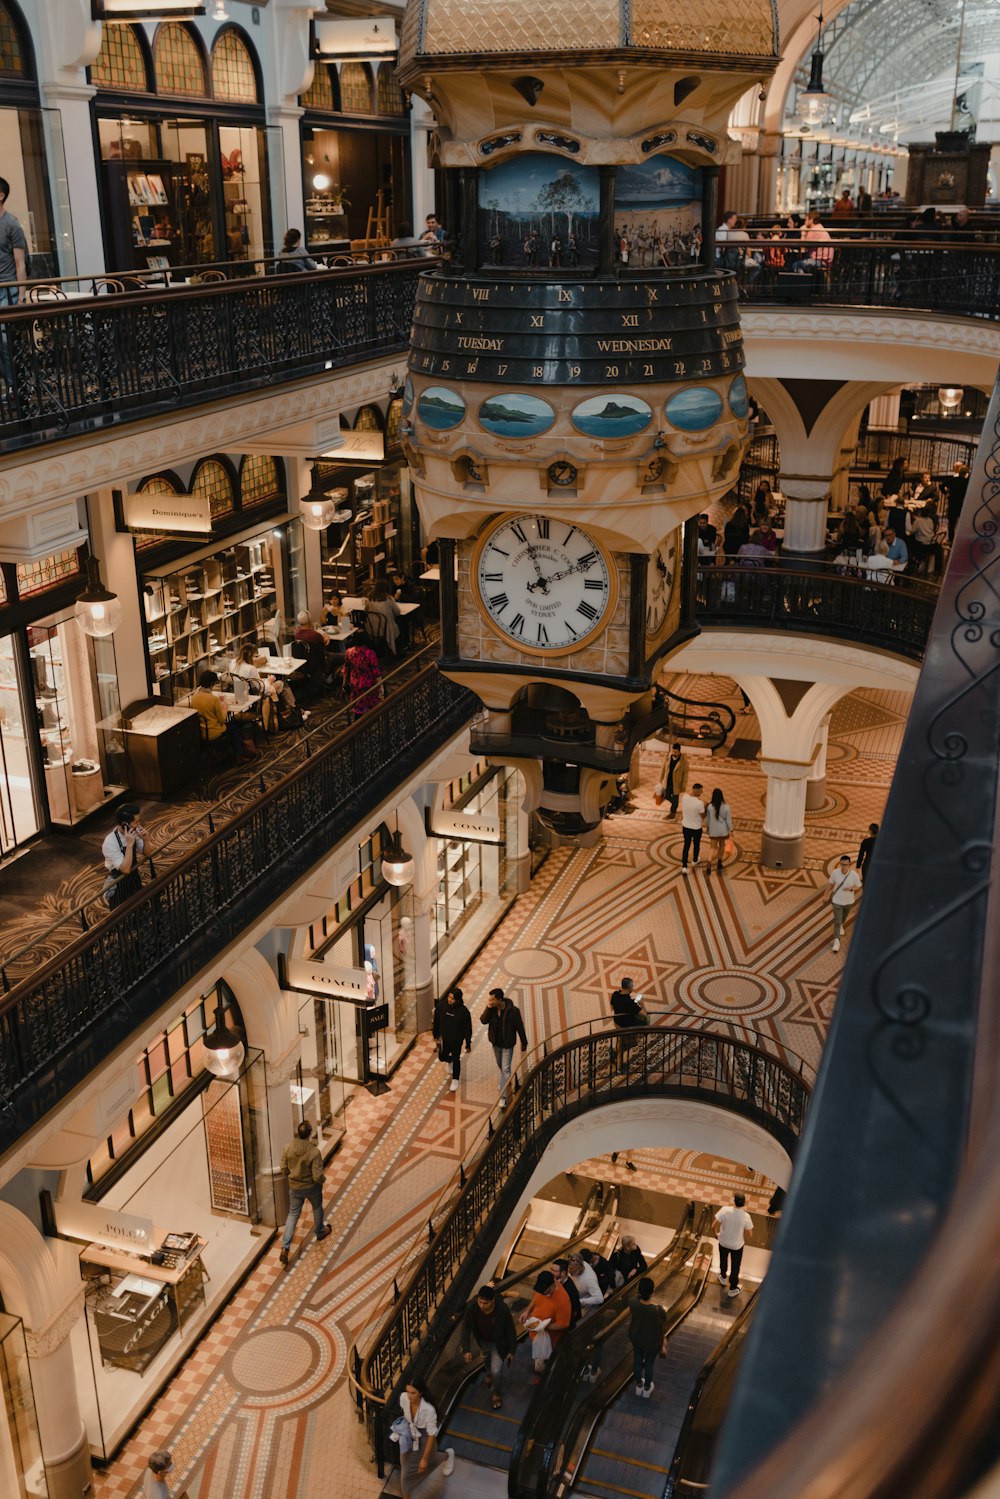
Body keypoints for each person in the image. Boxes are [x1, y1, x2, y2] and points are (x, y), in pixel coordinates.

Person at [278, 1120, 331, 1264]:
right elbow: (317, 1176)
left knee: (293, 1214)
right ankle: (320, 1231)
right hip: (311, 1187)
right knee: (317, 1208)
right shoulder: (314, 1152)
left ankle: (285, 1247)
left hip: (295, 1187)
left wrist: (291, 1175)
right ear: (310, 1134)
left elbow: (283, 1167)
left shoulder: (288, 1147)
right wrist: (322, 1180)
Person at [460, 1284, 517, 1410]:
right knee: (486, 1360)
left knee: (497, 1370)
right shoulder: (473, 1307)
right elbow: (466, 1327)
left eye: (485, 1303)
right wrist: (466, 1349)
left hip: (498, 1343)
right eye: (480, 1302)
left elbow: (510, 1330)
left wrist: (512, 1350)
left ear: (493, 1301)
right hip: (482, 1341)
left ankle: (496, 1392)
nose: (482, 1306)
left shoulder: (502, 1310)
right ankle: (488, 1372)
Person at [398, 1379, 455, 1493]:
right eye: (407, 1391)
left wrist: (424, 1458)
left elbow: (431, 1435)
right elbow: (406, 1415)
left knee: (431, 1461)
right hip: (410, 1436)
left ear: (421, 1393)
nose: (409, 1395)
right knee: (406, 1471)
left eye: (413, 1393)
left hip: (425, 1438)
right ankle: (406, 1493)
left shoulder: (429, 1410)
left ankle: (447, 1455)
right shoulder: (403, 1398)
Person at [191, 669, 253, 762]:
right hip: (214, 732)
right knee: (233, 726)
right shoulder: (213, 699)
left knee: (232, 725)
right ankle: (239, 754)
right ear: (212, 683)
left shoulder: (194, 697)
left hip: (201, 731)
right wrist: (224, 708)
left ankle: (232, 752)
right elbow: (222, 720)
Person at [480, 988, 527, 1108]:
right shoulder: (492, 1009)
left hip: (507, 1045)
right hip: (496, 1044)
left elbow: (520, 1027)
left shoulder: (513, 1011)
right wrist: (488, 1007)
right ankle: (505, 1081)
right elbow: (483, 1021)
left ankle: (503, 1096)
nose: (490, 1001)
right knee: (501, 1066)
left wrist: (524, 1042)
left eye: (492, 999)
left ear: (499, 999)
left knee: (505, 1069)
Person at [521, 1269, 571, 1371]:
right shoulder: (546, 1284)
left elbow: (564, 1324)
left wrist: (543, 1327)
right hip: (537, 1333)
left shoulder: (563, 1301)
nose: (543, 1294)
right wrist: (527, 1311)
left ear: (552, 1286)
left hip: (549, 1339)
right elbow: (536, 1297)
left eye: (545, 1292)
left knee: (547, 1361)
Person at [628, 1276, 667, 1398]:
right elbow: (664, 1322)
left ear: (639, 1292)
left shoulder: (633, 1303)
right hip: (652, 1342)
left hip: (637, 1338)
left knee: (637, 1361)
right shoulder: (658, 1310)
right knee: (649, 1363)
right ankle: (647, 1388)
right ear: (652, 1292)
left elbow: (634, 1298)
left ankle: (639, 1385)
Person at [102, 802, 146, 908]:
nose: (139, 825)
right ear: (124, 824)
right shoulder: (110, 842)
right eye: (136, 822)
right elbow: (125, 869)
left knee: (139, 906)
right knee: (123, 914)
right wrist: (130, 846)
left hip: (134, 876)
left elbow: (148, 853)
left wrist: (147, 839)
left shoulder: (134, 831)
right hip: (119, 882)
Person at [433, 985, 472, 1093]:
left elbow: (468, 1029)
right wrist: (435, 1036)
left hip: (456, 1040)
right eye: (449, 997)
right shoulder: (441, 1006)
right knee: (442, 1057)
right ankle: (449, 1061)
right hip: (444, 1039)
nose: (449, 1000)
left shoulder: (464, 1012)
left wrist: (468, 1043)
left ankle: (455, 1079)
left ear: (458, 1000)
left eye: (452, 998)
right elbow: (436, 1022)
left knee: (456, 1059)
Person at [715, 1193, 754, 1298]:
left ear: (734, 1201)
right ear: (744, 1203)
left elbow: (713, 1225)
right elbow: (750, 1234)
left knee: (723, 1260)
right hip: (737, 1245)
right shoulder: (746, 1216)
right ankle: (733, 1288)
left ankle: (722, 1277)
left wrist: (716, 1234)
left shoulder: (724, 1210)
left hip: (723, 1242)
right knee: (735, 1266)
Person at [0, 175, 28, 306]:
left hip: (8, 288)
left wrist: (22, 297)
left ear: (1, 196)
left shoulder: (12, 224)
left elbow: (20, 263)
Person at [827, 853, 862, 953]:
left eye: (845, 865)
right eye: (842, 864)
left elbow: (858, 886)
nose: (843, 866)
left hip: (848, 902)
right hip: (836, 901)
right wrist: (825, 895)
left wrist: (851, 889)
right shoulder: (835, 872)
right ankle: (836, 942)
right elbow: (830, 884)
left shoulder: (854, 875)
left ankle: (842, 924)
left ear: (849, 865)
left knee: (843, 918)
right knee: (837, 921)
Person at [610, 976, 647, 1067]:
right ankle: (619, 1062)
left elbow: (612, 1006)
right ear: (630, 987)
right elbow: (644, 1014)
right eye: (632, 986)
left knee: (621, 1040)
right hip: (626, 1027)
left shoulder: (615, 994)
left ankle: (616, 1054)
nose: (633, 988)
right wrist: (642, 1004)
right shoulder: (630, 1004)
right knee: (633, 1043)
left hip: (617, 1023)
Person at [343, 638, 383, 716]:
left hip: (355, 683)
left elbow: (346, 669)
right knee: (372, 707)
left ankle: (358, 724)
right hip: (368, 684)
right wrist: (381, 690)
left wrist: (344, 683)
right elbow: (376, 673)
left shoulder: (349, 652)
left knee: (358, 707)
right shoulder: (370, 653)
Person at [368, 579, 403, 654]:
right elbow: (398, 612)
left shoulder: (370, 598)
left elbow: (366, 610)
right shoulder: (389, 599)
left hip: (372, 628)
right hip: (386, 628)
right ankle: (401, 648)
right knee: (401, 622)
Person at [705, 787, 733, 875]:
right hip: (723, 831)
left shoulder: (709, 807)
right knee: (721, 846)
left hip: (713, 830)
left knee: (712, 847)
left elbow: (707, 820)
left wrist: (708, 828)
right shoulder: (726, 807)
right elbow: (728, 820)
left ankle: (709, 863)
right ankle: (719, 862)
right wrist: (731, 830)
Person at [679, 782, 705, 875]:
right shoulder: (699, 803)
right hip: (696, 827)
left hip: (686, 826)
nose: (701, 793)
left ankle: (684, 866)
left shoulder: (684, 797)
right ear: (696, 790)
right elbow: (703, 816)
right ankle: (695, 859)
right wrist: (704, 804)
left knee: (686, 845)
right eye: (701, 791)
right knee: (696, 844)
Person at [658, 742, 689, 819]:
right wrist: (660, 779)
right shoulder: (668, 757)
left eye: (675, 752)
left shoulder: (684, 761)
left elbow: (685, 775)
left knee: (675, 797)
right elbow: (663, 768)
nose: (674, 753)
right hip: (668, 781)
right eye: (673, 751)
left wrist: (683, 785)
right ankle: (675, 804)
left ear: (679, 751)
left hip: (676, 783)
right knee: (666, 796)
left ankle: (673, 813)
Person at [552, 1260, 582, 1326]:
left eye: (555, 1271)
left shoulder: (570, 1290)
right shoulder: (557, 1281)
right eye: (552, 1270)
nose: (552, 1273)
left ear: (563, 1273)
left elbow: (573, 1312)